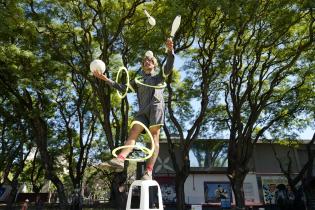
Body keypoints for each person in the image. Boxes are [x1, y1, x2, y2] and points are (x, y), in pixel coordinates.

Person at [93, 38, 174, 180]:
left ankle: (148, 172)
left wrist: (170, 52)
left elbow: (168, 67)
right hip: (142, 111)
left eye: (149, 60)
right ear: (142, 66)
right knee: (133, 131)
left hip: (156, 108)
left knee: (154, 137)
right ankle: (120, 159)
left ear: (154, 64)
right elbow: (123, 88)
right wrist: (106, 80)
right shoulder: (138, 80)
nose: (147, 62)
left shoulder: (159, 76)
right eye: (144, 61)